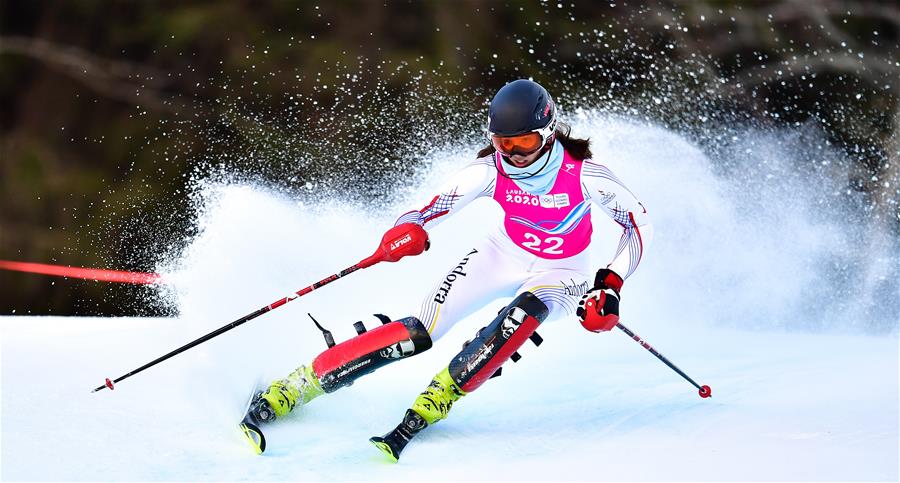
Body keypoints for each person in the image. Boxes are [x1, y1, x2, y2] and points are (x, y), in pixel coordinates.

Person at [239, 79, 653, 461]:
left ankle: (441, 395)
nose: (513, 154)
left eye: (524, 142)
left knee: (520, 320)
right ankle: (296, 385)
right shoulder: (490, 170)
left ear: (547, 134)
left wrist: (610, 284)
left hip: (563, 271)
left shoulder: (585, 175)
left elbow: (638, 225)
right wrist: (408, 230)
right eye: (503, 142)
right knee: (420, 331)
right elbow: (428, 210)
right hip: (500, 254)